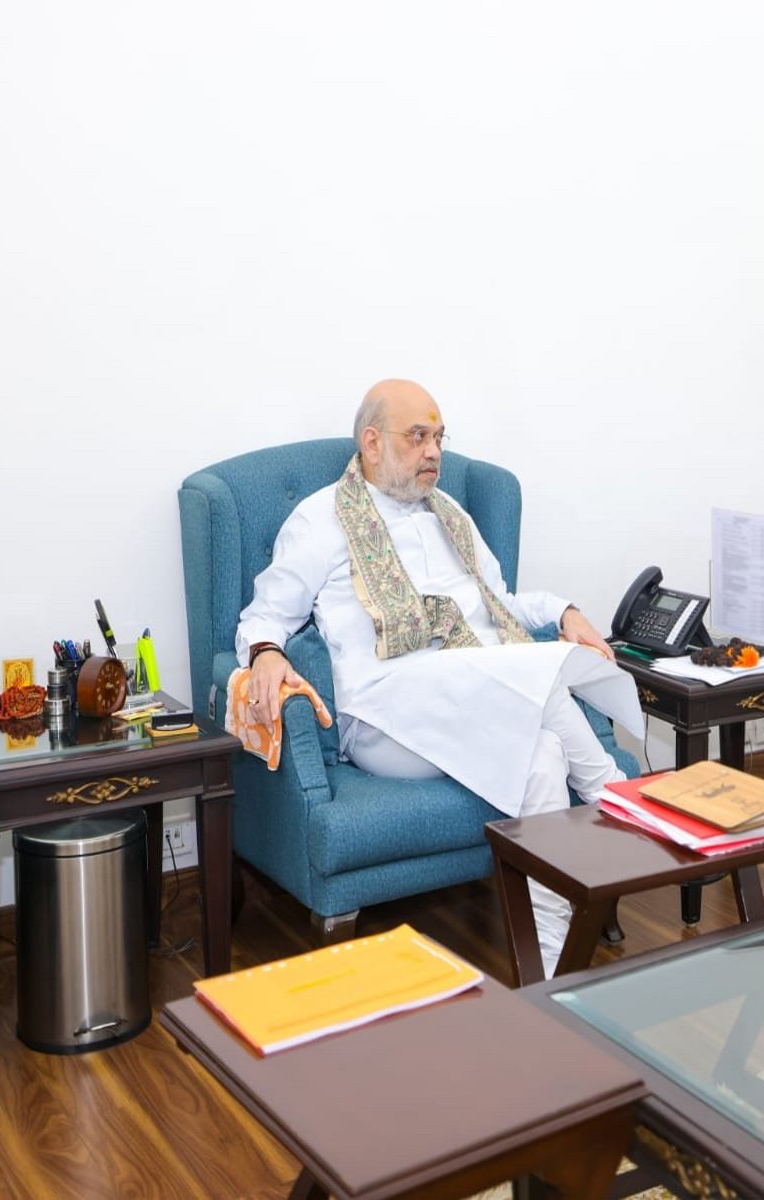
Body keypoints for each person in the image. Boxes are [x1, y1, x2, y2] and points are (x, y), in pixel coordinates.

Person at [237, 378, 643, 976]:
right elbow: (263, 616)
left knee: (543, 756)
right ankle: (616, 795)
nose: (434, 452)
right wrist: (267, 653)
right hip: (384, 716)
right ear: (372, 443)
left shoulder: (450, 513)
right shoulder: (321, 518)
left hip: (481, 693)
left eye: (439, 438)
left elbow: (499, 602)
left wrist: (562, 611)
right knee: (527, 683)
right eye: (418, 437)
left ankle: (552, 971)